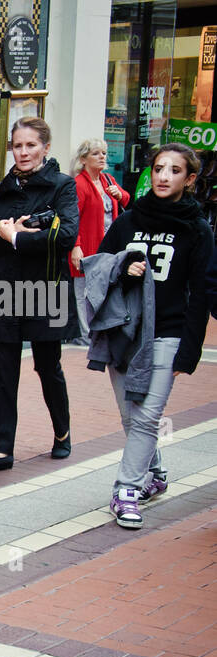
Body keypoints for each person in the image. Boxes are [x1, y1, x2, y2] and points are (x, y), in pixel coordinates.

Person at [85, 143, 214, 529]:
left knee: (146, 417)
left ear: (189, 179)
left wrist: (189, 352)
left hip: (168, 334)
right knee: (131, 416)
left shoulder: (197, 229)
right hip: (127, 332)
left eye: (174, 170)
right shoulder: (129, 219)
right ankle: (153, 471)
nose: (163, 176)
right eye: (159, 168)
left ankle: (126, 490)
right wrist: (125, 271)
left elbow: (203, 292)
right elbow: (101, 266)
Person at [0, 117, 79, 474]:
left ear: (45, 148)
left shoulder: (63, 186)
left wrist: (17, 237)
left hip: (47, 287)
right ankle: (2, 451)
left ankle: (62, 434)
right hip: (7, 288)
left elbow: (65, 238)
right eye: (17, 145)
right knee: (4, 371)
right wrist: (7, 236)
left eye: (31, 145)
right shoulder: (2, 190)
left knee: (48, 366)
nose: (23, 152)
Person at [68, 138, 129, 342]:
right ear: (84, 159)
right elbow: (72, 217)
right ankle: (86, 335)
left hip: (107, 246)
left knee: (103, 290)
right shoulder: (79, 184)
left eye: (104, 152)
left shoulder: (108, 180)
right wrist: (76, 247)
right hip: (87, 247)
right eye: (96, 153)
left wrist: (119, 194)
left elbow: (126, 199)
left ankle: (98, 331)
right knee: (83, 292)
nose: (102, 157)